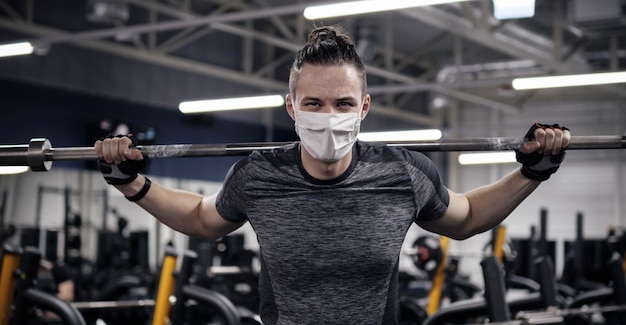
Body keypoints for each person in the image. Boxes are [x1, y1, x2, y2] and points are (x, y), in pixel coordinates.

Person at [95, 25, 570, 324]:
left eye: (343, 103)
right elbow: (203, 218)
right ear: (291, 108)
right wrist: (133, 183)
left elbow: (465, 218)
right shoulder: (259, 174)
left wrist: (532, 172)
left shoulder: (401, 172)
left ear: (363, 107)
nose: (329, 116)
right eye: (313, 104)